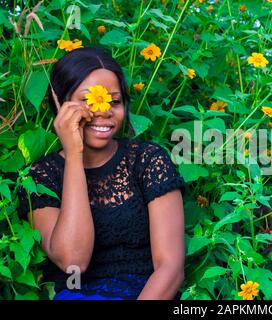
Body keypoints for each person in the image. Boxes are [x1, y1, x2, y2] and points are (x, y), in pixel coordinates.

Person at [17, 47, 186, 300]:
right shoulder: (38, 178)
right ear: (60, 104)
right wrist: (74, 154)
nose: (104, 110)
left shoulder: (148, 160)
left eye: (114, 101)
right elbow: (73, 261)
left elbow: (170, 269)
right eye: (89, 100)